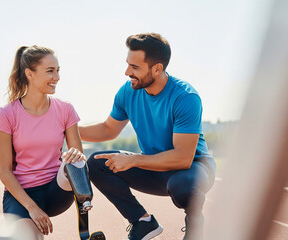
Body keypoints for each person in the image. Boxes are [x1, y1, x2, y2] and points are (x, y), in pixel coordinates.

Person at [79, 33, 216, 240]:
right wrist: (67, 129)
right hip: (154, 167)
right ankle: (142, 222)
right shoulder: (128, 92)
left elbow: (183, 158)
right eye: (128, 64)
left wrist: (133, 160)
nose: (127, 72)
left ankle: (195, 226)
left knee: (183, 186)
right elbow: (108, 129)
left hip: (192, 169)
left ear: (157, 68)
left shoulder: (185, 97)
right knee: (97, 163)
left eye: (134, 67)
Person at [0, 45, 85, 240]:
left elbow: (77, 152)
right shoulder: (6, 114)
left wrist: (76, 154)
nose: (57, 77)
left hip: (55, 190)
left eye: (58, 70)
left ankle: (85, 220)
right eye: (50, 71)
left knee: (77, 161)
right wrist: (32, 208)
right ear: (30, 74)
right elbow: (4, 171)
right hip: (21, 195)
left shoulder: (66, 110)